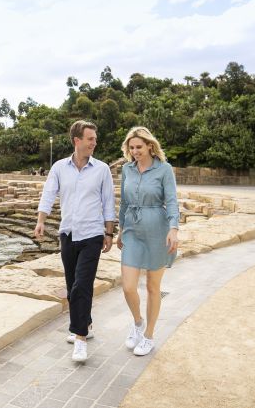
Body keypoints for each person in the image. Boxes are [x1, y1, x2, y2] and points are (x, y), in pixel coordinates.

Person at [34, 120, 116, 362]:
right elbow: (48, 194)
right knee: (72, 286)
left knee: (82, 284)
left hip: (92, 234)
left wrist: (109, 233)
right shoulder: (59, 168)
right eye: (90, 138)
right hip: (67, 233)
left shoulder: (101, 169)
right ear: (76, 140)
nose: (95, 142)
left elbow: (108, 203)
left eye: (95, 138)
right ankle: (86, 324)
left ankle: (79, 337)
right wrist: (41, 221)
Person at [115, 126, 180, 356]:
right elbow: (123, 202)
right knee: (128, 286)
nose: (135, 151)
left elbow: (171, 201)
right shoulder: (127, 170)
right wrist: (120, 230)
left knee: (153, 286)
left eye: (139, 147)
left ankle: (149, 335)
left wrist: (173, 228)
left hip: (157, 230)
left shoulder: (164, 170)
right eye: (131, 148)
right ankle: (138, 322)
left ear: (150, 146)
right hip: (132, 229)